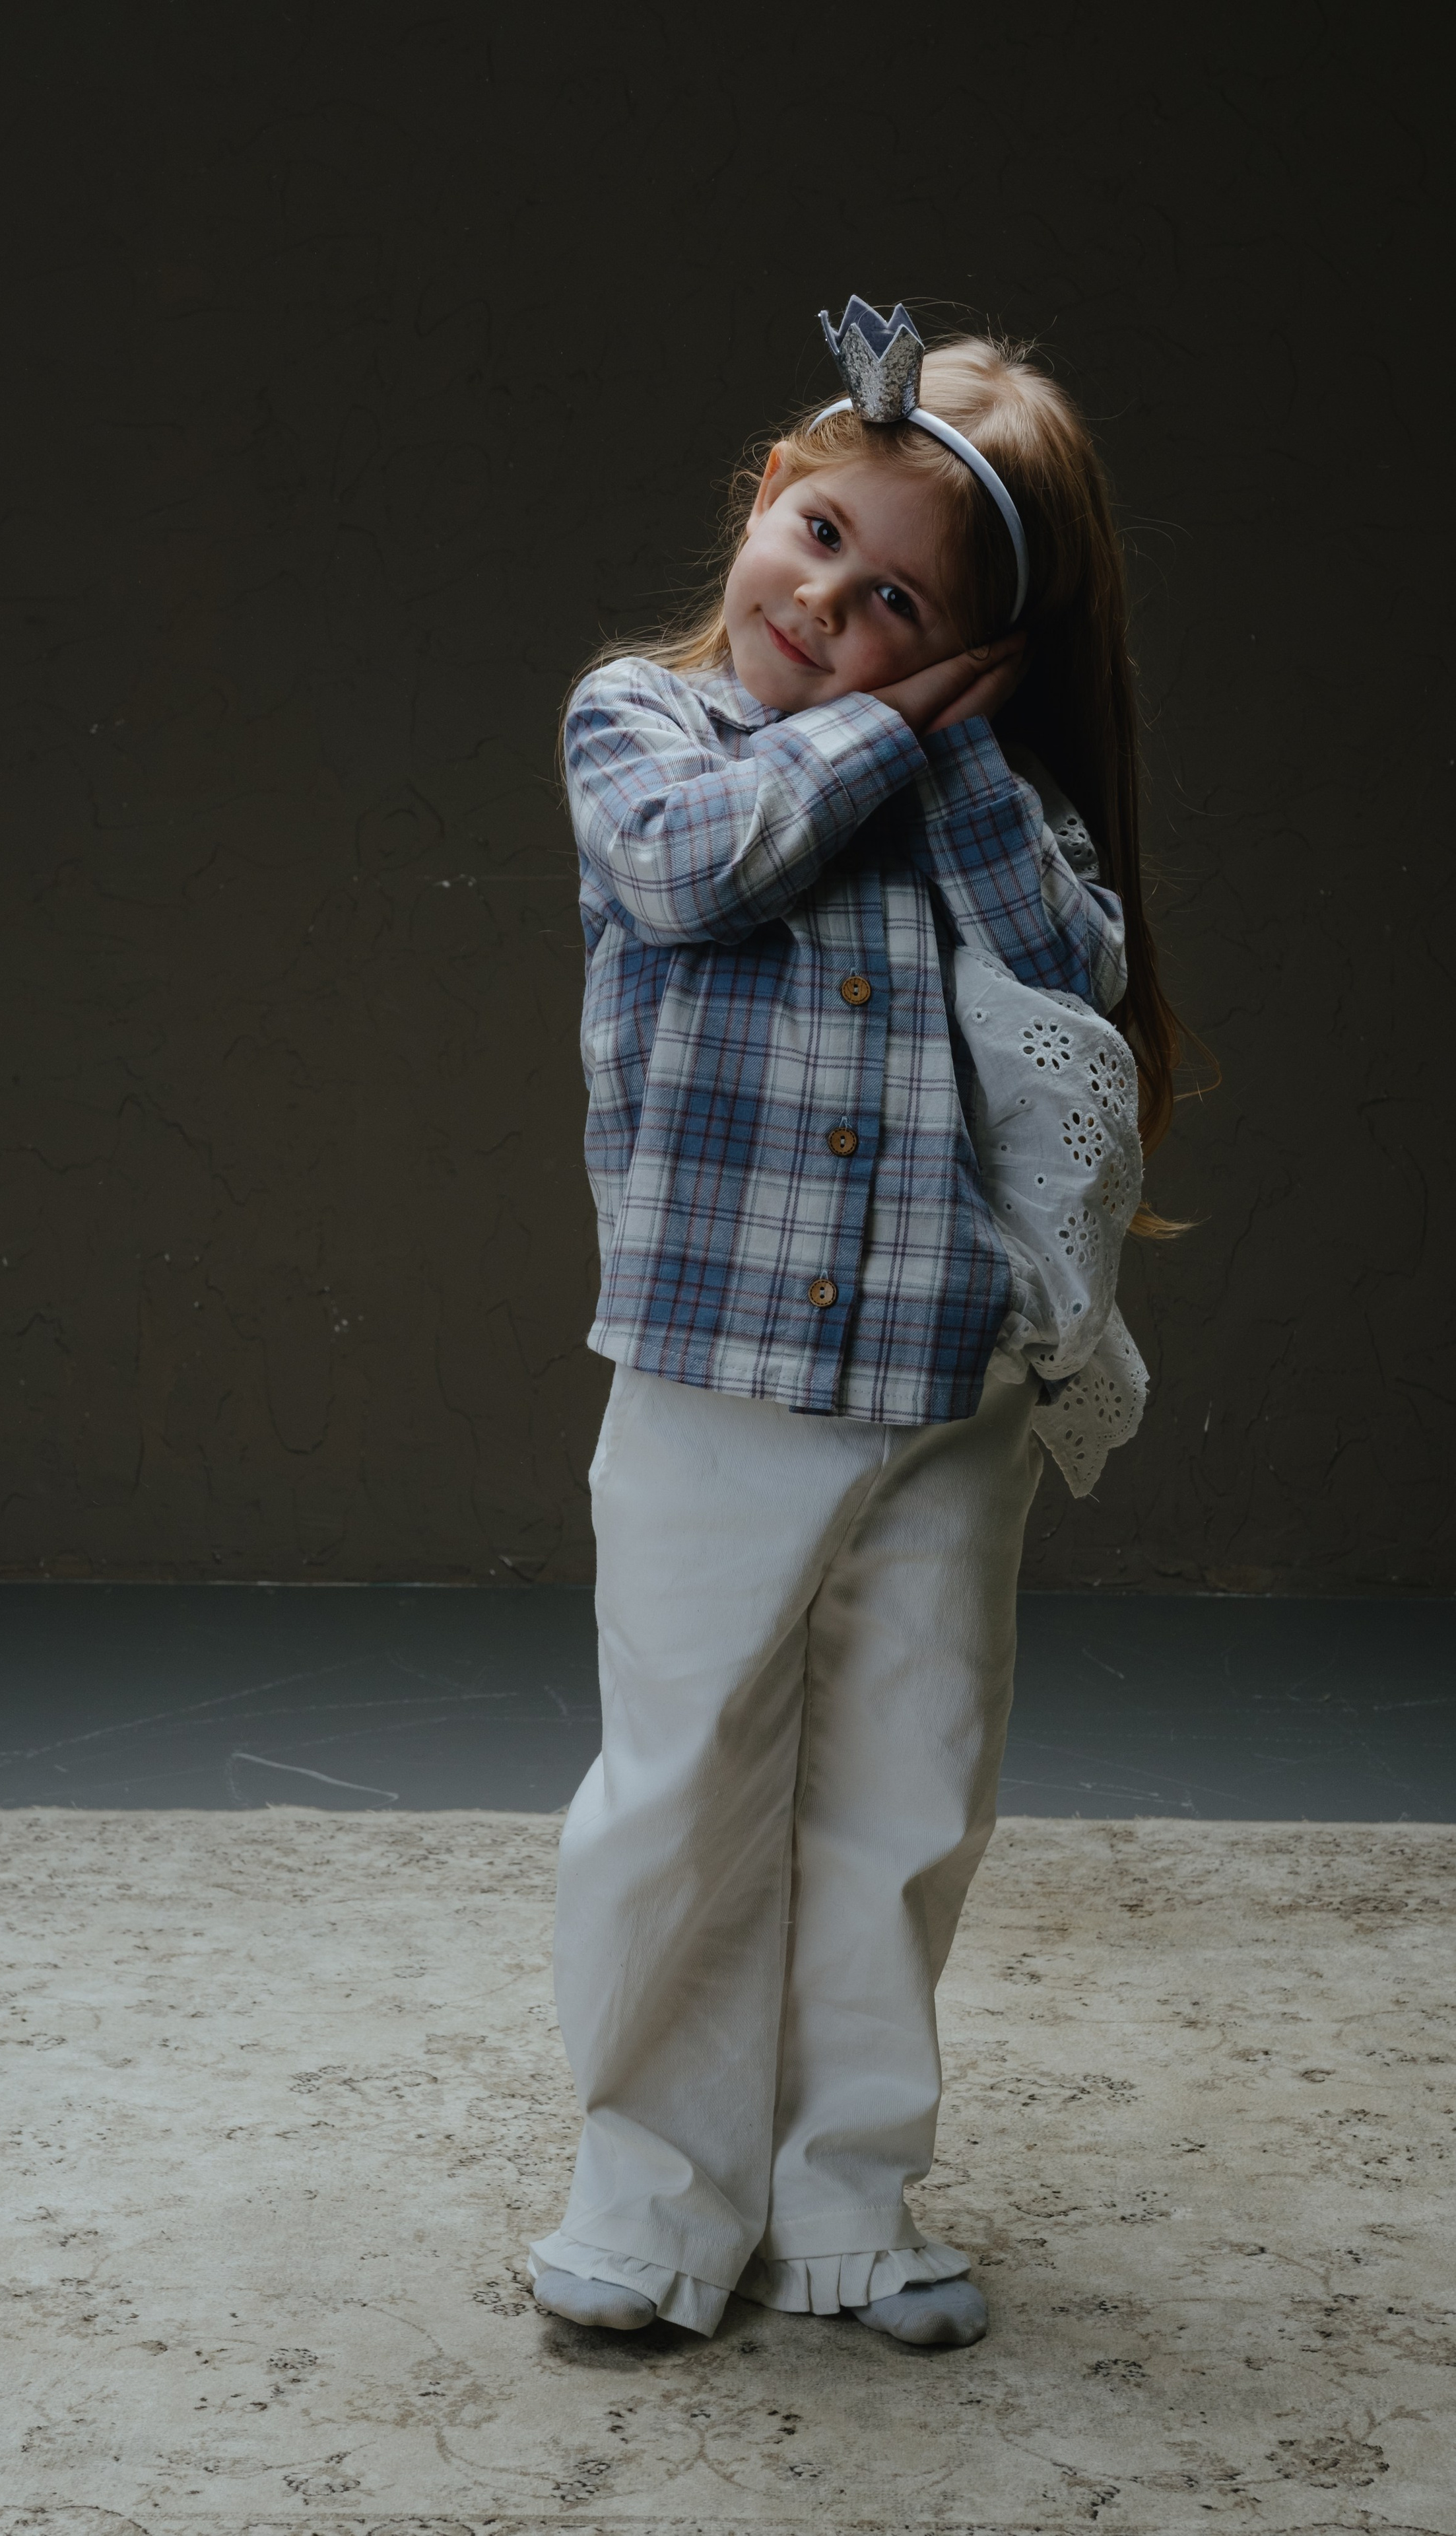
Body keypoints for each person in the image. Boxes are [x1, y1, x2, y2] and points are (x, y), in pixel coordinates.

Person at [529, 302, 1189, 2350]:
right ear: (762, 497)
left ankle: (844, 2204)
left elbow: (1064, 959)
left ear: (982, 651)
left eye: (897, 598)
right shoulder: (650, 729)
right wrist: (886, 725)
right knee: (683, 1786)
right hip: (720, 1368)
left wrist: (961, 748)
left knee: (907, 1793)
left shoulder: (980, 791)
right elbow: (686, 875)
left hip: (949, 1384)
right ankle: (656, 2197)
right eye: (815, 532)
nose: (827, 601)